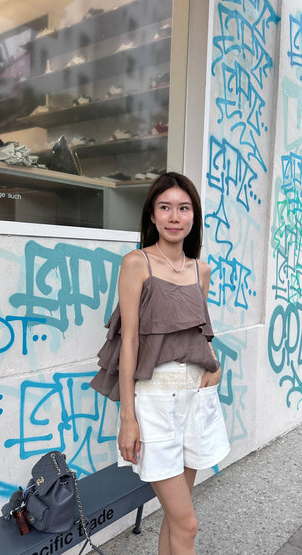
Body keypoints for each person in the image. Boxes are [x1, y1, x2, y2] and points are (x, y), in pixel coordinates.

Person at [90, 172, 230, 554]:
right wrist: (128, 417)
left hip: (196, 399)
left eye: (183, 208)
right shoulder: (137, 263)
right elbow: (129, 339)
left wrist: (215, 368)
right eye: (164, 207)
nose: (173, 216)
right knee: (188, 523)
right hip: (154, 401)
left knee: (175, 520)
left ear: (193, 216)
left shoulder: (201, 270)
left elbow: (198, 333)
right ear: (152, 216)